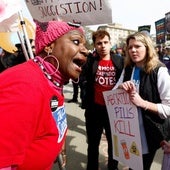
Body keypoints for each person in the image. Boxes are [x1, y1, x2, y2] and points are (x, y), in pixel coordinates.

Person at [0, 20, 88, 170]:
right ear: (49, 46)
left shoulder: (52, 81)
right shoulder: (24, 85)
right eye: (76, 42)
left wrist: (58, 144)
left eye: (84, 45)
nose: (86, 50)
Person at [114, 32, 170, 170]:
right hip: (129, 130)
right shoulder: (128, 68)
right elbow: (114, 93)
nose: (133, 50)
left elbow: (168, 108)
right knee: (133, 165)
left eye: (137, 46)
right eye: (130, 47)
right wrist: (121, 87)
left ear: (147, 47)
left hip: (150, 132)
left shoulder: (160, 71)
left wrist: (143, 103)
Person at [82, 30, 124, 170]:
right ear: (94, 45)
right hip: (94, 110)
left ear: (110, 43)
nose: (103, 46)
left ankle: (113, 167)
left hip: (114, 111)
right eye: (99, 43)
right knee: (93, 144)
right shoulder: (90, 61)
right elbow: (81, 78)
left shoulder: (120, 61)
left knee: (114, 143)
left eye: (106, 42)